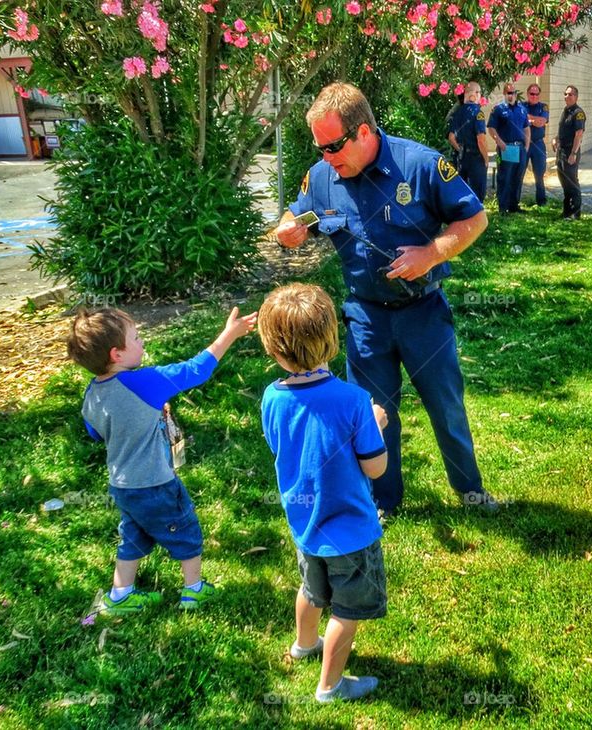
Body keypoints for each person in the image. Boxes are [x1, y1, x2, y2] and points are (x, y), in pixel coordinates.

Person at [274, 82, 498, 518]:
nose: (325, 157)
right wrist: (289, 228)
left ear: (363, 132)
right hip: (365, 318)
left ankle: (470, 490)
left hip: (423, 313)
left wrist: (432, 252)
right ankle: (384, 502)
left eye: (332, 145)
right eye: (319, 147)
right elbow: (297, 213)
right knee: (373, 416)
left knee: (446, 406)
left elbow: (475, 217)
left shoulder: (419, 165)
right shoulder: (323, 175)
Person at [67, 305, 257, 616]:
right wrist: (230, 333)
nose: (142, 343)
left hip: (122, 484)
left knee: (133, 534)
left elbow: (95, 432)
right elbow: (196, 369)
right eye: (137, 337)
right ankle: (194, 590)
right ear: (116, 354)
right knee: (185, 529)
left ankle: (120, 595)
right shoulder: (144, 382)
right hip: (155, 482)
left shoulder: (92, 392)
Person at [259, 283, 389, 703]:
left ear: (273, 349)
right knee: (347, 612)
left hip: (305, 527)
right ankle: (330, 687)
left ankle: (303, 644)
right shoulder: (354, 401)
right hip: (351, 532)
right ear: (332, 339)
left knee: (312, 590)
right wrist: (376, 426)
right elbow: (375, 466)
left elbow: (280, 445)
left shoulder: (271, 398)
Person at [487, 82, 530, 214]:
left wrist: (527, 146)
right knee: (505, 178)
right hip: (506, 148)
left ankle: (514, 205)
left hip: (520, 148)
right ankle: (503, 207)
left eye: (513, 92)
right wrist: (499, 142)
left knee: (518, 177)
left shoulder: (522, 109)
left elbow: (526, 128)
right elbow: (491, 128)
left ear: (516, 94)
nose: (511, 95)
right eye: (509, 93)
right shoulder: (498, 109)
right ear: (505, 94)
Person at [447, 81, 489, 202]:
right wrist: (485, 158)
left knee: (463, 192)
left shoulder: (458, 112)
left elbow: (451, 137)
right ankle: (478, 218)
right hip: (476, 157)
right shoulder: (477, 112)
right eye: (479, 92)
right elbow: (481, 139)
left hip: (461, 157)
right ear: (475, 94)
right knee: (478, 192)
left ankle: (464, 216)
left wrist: (460, 149)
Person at [551, 85, 586, 220]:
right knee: (564, 181)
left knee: (571, 182)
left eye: (570, 94)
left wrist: (573, 153)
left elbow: (578, 134)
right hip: (561, 151)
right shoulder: (565, 111)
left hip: (571, 151)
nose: (567, 96)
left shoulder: (578, 113)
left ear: (576, 97)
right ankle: (566, 211)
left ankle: (575, 212)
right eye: (565, 94)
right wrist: (556, 139)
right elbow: (564, 131)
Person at [524, 83, 550, 206]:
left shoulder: (543, 107)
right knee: (518, 173)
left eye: (536, 94)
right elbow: (537, 121)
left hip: (538, 144)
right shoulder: (521, 106)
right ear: (527, 94)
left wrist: (528, 119)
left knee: (539, 174)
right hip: (524, 144)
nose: (534, 96)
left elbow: (541, 122)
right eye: (531, 94)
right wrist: (535, 120)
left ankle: (541, 201)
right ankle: (514, 202)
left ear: (539, 95)